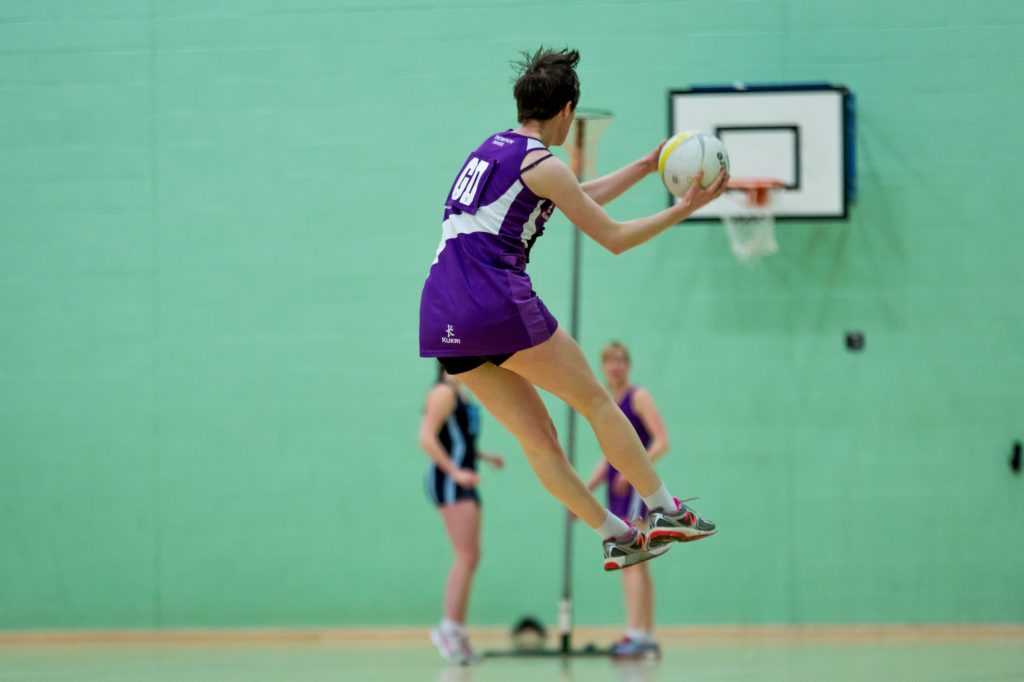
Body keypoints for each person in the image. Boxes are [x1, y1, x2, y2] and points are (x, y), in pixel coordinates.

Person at [419, 46, 723, 573]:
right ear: (565, 111)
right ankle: (664, 508)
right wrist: (681, 210)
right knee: (598, 402)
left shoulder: (491, 150)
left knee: (538, 438)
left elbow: (574, 194)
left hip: (443, 315)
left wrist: (647, 166)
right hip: (494, 302)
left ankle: (617, 535)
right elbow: (613, 238)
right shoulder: (543, 162)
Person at [586, 341, 685, 659]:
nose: (615, 366)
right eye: (609, 361)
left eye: (620, 360)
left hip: (634, 492)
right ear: (602, 367)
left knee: (633, 560)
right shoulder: (607, 402)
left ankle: (637, 633)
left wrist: (632, 471)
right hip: (616, 493)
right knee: (638, 561)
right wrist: (585, 489)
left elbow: (662, 441)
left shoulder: (638, 397)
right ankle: (644, 633)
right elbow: (609, 456)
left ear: (627, 365)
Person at [419, 363, 505, 664]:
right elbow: (427, 437)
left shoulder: (462, 392)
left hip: (465, 477)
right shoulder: (443, 392)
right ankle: (448, 629)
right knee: (466, 555)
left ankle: (454, 628)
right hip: (450, 482)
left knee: (471, 555)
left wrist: (483, 456)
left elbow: (457, 438)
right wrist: (455, 472)